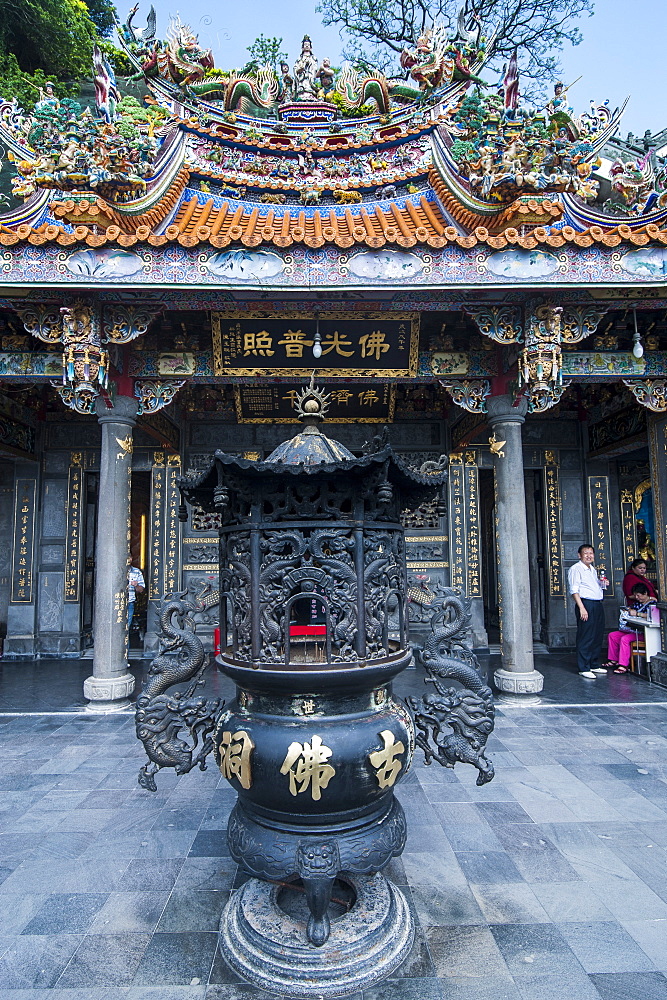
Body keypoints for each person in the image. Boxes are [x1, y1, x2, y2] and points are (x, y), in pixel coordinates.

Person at [568, 544, 608, 678]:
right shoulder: (576, 569)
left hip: (597, 604)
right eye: (586, 553)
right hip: (586, 604)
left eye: (591, 553)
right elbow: (574, 590)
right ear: (579, 555)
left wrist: (603, 584)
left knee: (597, 634)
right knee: (586, 636)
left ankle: (594, 664)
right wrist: (582, 608)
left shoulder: (592, 569)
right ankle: (583, 667)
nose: (589, 555)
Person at [603, 582, 657, 674]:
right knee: (613, 635)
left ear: (645, 593)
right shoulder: (637, 604)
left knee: (625, 639)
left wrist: (637, 614)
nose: (637, 598)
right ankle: (614, 660)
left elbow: (653, 616)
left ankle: (623, 665)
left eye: (639, 595)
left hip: (644, 632)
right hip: (633, 630)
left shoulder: (653, 604)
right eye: (635, 595)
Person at [127, 558, 145, 629]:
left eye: (129, 557)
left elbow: (141, 590)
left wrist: (136, 585)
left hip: (130, 602)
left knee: (127, 626)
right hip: (115, 602)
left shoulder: (136, 571)